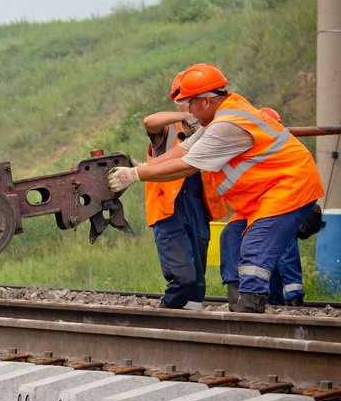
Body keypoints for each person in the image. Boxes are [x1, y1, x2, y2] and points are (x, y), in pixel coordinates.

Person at [108, 63, 324, 314]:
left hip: (289, 186)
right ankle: (237, 302)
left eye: (190, 104)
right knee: (231, 236)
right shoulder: (222, 115)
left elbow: (187, 165)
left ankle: (251, 306)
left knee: (255, 246)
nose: (188, 110)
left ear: (206, 102)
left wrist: (136, 175)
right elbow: (184, 149)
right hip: (263, 195)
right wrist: (148, 165)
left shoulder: (227, 125)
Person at [141, 71, 227, 309]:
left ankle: (189, 328)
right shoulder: (169, 128)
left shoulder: (214, 128)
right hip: (169, 210)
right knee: (183, 277)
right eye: (184, 102)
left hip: (198, 208)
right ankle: (165, 314)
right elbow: (150, 121)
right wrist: (188, 116)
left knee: (198, 282)